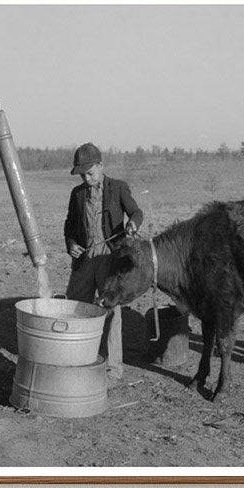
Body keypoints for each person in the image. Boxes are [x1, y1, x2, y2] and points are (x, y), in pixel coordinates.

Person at [63, 142, 144, 379]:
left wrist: (132, 225)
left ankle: (112, 368)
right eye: (82, 175)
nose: (87, 179)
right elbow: (69, 225)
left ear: (101, 165)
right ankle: (78, 358)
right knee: (76, 308)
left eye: (90, 173)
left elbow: (136, 213)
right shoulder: (77, 194)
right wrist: (71, 245)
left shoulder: (118, 188)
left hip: (111, 260)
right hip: (85, 261)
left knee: (110, 312)